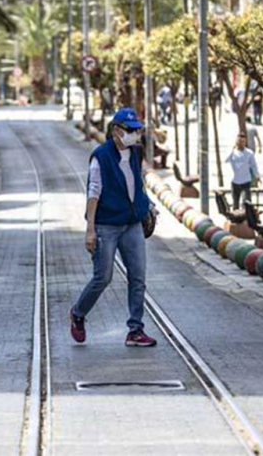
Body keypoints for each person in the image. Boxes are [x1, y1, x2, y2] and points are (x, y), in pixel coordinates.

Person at [70, 107, 158, 348]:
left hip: (132, 225)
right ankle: (78, 313)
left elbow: (137, 184)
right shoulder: (101, 156)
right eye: (131, 130)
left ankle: (135, 330)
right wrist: (90, 230)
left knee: (138, 277)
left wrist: (147, 205)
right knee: (103, 277)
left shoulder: (136, 152)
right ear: (117, 130)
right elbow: (93, 192)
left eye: (138, 130)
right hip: (106, 225)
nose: (136, 134)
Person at [226, 132, 261, 210]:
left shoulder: (249, 153)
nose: (241, 143)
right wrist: (232, 149)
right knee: (235, 203)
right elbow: (226, 160)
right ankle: (236, 220)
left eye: (243, 141)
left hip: (246, 181)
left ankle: (245, 218)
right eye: (239, 141)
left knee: (246, 202)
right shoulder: (232, 153)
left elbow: (254, 166)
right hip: (235, 181)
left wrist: (257, 177)